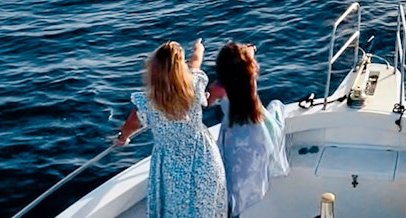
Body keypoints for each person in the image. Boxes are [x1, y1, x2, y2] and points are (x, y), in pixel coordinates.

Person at [116, 39, 227, 218]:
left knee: (175, 209)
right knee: (205, 207)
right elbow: (196, 62)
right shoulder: (194, 85)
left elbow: (132, 123)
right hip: (203, 157)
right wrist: (198, 48)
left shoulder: (149, 102)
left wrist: (123, 138)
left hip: (169, 164)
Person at [207, 42, 289, 217]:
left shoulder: (219, 88)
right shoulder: (248, 75)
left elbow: (205, 103)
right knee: (250, 170)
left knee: (232, 178)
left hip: (235, 135)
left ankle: (233, 211)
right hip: (258, 130)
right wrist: (249, 50)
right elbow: (248, 55)